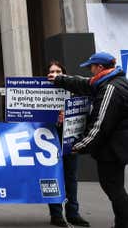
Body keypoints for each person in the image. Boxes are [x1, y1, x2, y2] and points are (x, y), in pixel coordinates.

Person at [49, 52, 128, 228]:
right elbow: (83, 83)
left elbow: (101, 125)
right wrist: (60, 79)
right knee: (114, 188)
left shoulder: (110, 89)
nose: (90, 70)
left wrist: (81, 145)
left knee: (114, 189)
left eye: (91, 67)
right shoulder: (106, 82)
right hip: (113, 148)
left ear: (100, 67)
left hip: (113, 150)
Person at [45, 61, 90, 227]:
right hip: (49, 142)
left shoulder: (74, 91)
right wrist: (54, 119)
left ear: (64, 73)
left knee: (71, 177)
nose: (55, 74)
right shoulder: (41, 94)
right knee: (53, 177)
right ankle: (56, 214)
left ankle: (73, 213)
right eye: (52, 71)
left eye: (58, 71)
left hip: (70, 140)